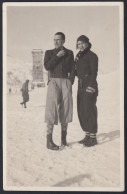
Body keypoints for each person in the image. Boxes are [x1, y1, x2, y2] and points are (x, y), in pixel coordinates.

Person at [44, 32, 75, 150]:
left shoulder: (70, 53)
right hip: (54, 82)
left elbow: (73, 68)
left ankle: (63, 139)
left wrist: (70, 81)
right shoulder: (49, 53)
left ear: (63, 41)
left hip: (66, 82)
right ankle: (49, 141)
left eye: (58, 39)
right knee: (51, 109)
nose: (56, 42)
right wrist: (58, 56)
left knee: (66, 109)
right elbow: (47, 66)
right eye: (54, 40)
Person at [74, 35, 98, 147]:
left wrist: (91, 86)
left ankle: (93, 137)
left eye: (82, 43)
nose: (80, 45)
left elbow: (94, 73)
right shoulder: (78, 56)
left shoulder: (92, 56)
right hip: (80, 87)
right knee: (82, 111)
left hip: (89, 86)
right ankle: (87, 135)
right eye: (78, 44)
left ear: (87, 43)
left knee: (89, 111)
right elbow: (75, 71)